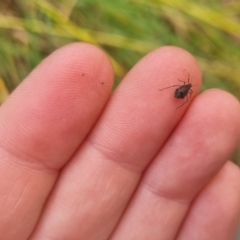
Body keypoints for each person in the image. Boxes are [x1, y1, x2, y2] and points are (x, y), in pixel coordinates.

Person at [0, 43, 240, 240]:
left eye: (185, 87)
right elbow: (180, 93)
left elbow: (182, 95)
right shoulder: (182, 89)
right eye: (185, 86)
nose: (185, 87)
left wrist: (178, 97)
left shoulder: (183, 91)